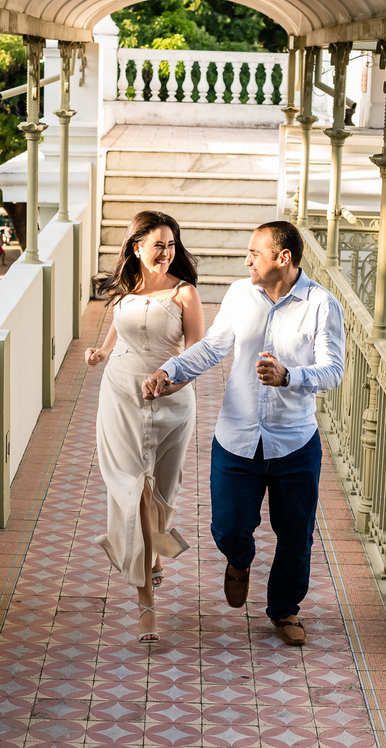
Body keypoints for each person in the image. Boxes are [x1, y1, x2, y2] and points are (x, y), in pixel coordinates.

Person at [143, 220, 344, 646]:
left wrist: (289, 375)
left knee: (295, 534)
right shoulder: (239, 294)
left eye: (255, 253)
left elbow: (334, 369)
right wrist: (170, 370)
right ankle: (239, 560)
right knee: (229, 527)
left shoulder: (321, 304)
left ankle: (285, 609)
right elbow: (214, 345)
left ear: (282, 258)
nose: (247, 260)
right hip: (236, 437)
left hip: (293, 442)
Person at [86, 210, 204, 643]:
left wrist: (170, 382)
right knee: (133, 488)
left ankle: (154, 544)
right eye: (159, 245)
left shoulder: (184, 294)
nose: (167, 253)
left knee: (161, 493)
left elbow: (197, 353)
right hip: (119, 395)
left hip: (172, 401)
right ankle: (145, 604)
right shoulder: (123, 291)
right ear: (136, 248)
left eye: (172, 245)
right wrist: (100, 352)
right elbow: (122, 328)